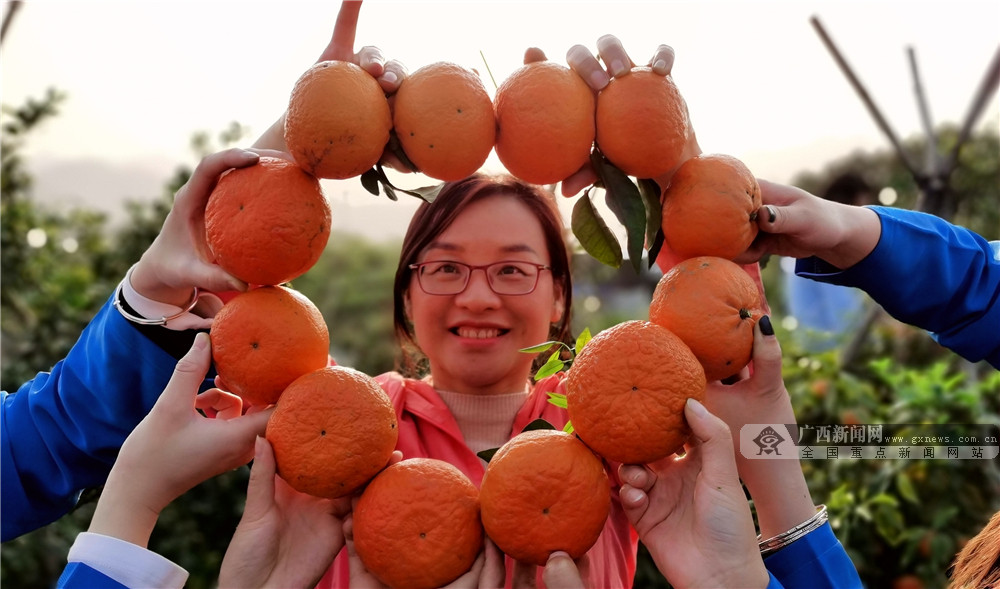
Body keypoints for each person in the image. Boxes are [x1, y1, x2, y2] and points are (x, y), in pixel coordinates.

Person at [737, 179, 1000, 369]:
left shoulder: (809, 255)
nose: (866, 207)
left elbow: (976, 288)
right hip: (829, 356)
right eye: (863, 204)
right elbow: (979, 287)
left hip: (826, 358)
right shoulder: (808, 256)